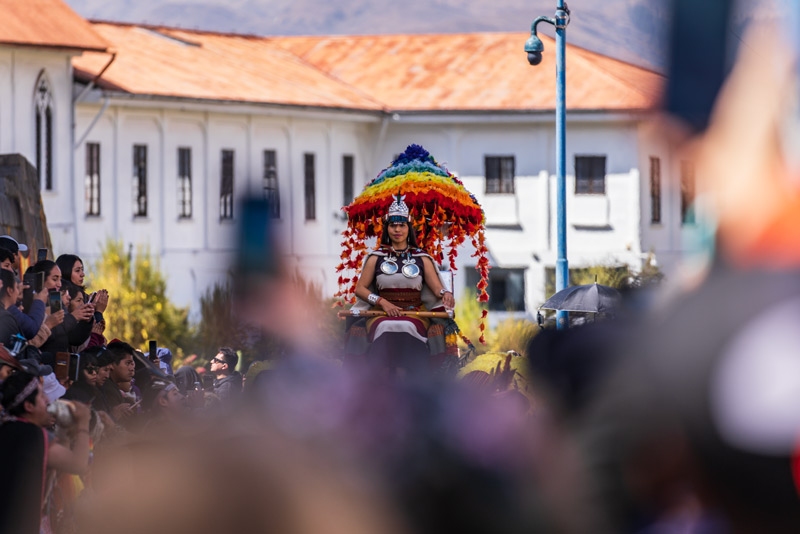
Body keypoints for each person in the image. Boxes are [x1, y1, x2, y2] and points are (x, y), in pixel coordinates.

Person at [350, 195, 454, 373]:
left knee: (407, 326)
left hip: (415, 314)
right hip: (380, 314)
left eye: (402, 225)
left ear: (409, 228)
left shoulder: (422, 258)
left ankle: (415, 380)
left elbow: (437, 288)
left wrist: (446, 292)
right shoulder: (375, 258)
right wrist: (382, 302)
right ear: (387, 228)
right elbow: (360, 289)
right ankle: (377, 380)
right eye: (392, 225)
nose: (397, 229)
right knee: (386, 326)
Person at [0, 372, 91, 534]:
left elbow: (58, 465)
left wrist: (63, 431)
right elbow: (78, 464)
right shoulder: (34, 437)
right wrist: (84, 423)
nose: (48, 400)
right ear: (29, 406)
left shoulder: (6, 429)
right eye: (42, 397)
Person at [26, 260, 94, 355]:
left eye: (60, 279)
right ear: (41, 280)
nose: (59, 284)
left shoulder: (56, 303)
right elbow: (43, 335)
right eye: (55, 279)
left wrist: (87, 320)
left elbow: (73, 338)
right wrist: (73, 317)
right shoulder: (32, 305)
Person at [0, 268, 23, 348]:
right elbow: (19, 352)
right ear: (10, 290)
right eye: (16, 287)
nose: (18, 292)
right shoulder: (6, 319)